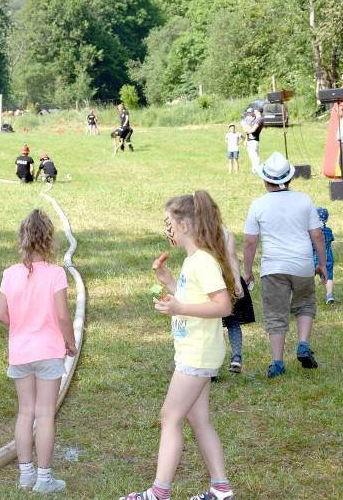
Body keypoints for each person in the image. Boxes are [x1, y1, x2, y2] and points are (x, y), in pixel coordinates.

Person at [120, 191, 235, 500]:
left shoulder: (202, 262)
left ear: (184, 226)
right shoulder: (192, 262)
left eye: (169, 222)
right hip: (196, 350)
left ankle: (159, 493)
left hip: (197, 353)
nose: (167, 228)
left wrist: (179, 309)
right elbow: (195, 296)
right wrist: (171, 284)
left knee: (170, 417)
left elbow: (223, 306)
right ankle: (221, 489)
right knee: (197, 418)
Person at [0, 209, 76, 493]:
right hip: (48, 352)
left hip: (21, 352)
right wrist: (71, 342)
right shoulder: (55, 274)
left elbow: (0, 313)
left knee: (25, 412)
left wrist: (19, 325)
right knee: (45, 414)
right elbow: (64, 316)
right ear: (50, 240)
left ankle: (25, 474)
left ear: (21, 239)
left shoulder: (9, 274)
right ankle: (44, 478)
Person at [243, 152, 327, 378]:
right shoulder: (304, 200)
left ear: (265, 180)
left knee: (275, 313)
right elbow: (317, 236)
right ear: (290, 179)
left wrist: (248, 271)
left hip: (273, 268)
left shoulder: (258, 204)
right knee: (305, 304)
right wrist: (322, 264)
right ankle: (303, 344)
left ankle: (278, 362)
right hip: (302, 265)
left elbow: (250, 242)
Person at [222, 229, 253, 374]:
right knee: (232, 321)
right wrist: (237, 282)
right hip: (228, 280)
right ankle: (236, 356)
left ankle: (211, 367)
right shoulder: (225, 233)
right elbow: (232, 256)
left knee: (210, 325)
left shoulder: (197, 233)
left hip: (210, 283)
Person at [313, 207, 335, 305]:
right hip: (327, 258)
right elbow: (330, 239)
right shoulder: (328, 231)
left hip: (313, 258)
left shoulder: (311, 232)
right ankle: (329, 295)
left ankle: (308, 296)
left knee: (307, 277)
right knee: (329, 277)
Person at [244, 108, 263, 173]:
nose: (254, 112)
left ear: (257, 111)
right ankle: (254, 170)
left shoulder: (259, 119)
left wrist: (246, 128)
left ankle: (258, 170)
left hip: (253, 140)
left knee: (254, 155)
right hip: (250, 139)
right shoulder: (256, 119)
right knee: (251, 156)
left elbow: (253, 130)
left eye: (255, 111)